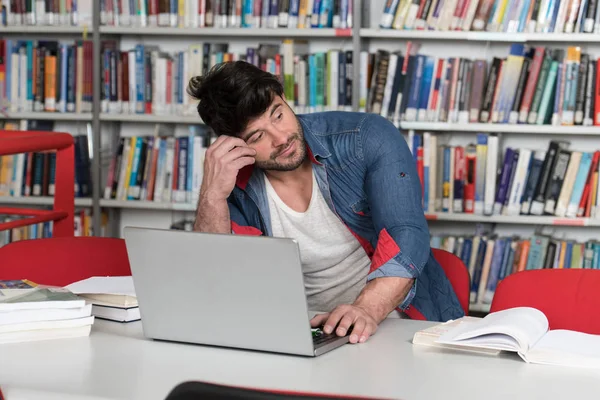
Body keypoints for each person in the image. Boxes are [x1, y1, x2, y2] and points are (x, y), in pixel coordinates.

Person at [187, 61, 464, 344]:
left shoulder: (367, 137)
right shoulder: (233, 178)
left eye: (278, 114)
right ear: (233, 145)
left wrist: (364, 310)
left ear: (283, 97)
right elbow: (214, 280)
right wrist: (212, 195)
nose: (281, 138)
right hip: (303, 334)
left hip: (396, 324)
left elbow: (407, 234)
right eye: (258, 136)